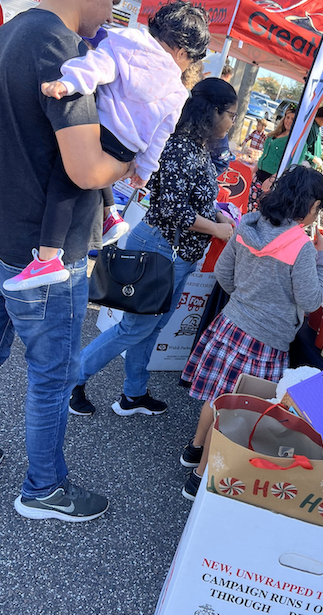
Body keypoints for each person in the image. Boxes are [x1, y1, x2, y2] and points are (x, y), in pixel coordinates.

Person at [0, 0, 130, 521]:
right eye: (113, 0)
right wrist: (128, 161)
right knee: (50, 378)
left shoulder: (11, 33)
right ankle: (44, 488)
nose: (111, 15)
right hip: (45, 254)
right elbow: (83, 166)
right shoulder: (62, 49)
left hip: (3, 234)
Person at [4, 0, 210, 292]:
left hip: (99, 131)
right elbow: (161, 135)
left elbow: (95, 68)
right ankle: (110, 215)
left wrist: (67, 84)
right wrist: (145, 171)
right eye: (191, 59)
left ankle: (48, 259)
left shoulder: (127, 44)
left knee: (63, 185)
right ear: (181, 52)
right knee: (93, 175)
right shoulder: (177, 90)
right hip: (127, 148)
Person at [69, 78, 238, 417]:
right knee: (135, 327)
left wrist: (218, 214)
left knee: (152, 326)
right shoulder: (180, 146)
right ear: (214, 111)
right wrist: (218, 228)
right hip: (162, 249)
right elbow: (172, 210)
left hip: (176, 253)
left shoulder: (199, 147)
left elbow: (190, 199)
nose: (233, 122)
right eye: (232, 114)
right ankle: (71, 379)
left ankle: (134, 393)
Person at [180, 165, 323, 500]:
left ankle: (194, 449)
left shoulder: (248, 224)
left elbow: (224, 273)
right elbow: (311, 300)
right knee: (236, 412)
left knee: (215, 398)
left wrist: (243, 298)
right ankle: (199, 479)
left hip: (230, 325)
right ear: (310, 206)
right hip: (265, 343)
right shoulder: (302, 248)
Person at [247, 104, 296, 211]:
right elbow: (265, 154)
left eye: (293, 119)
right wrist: (255, 169)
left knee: (261, 212)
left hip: (272, 180)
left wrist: (273, 179)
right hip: (258, 175)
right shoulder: (276, 134)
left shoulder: (294, 141)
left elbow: (291, 164)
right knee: (250, 209)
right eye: (287, 117)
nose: (289, 121)